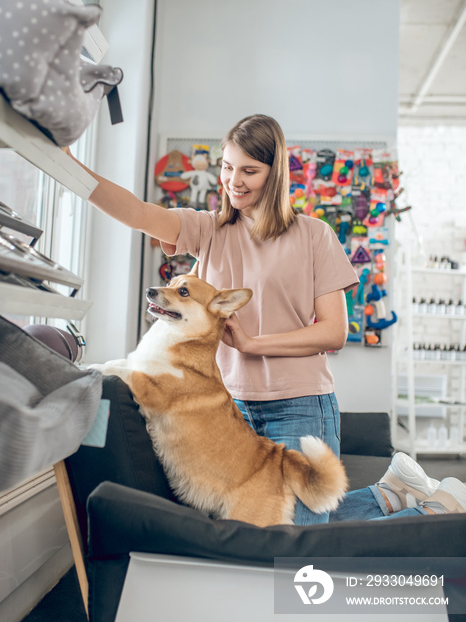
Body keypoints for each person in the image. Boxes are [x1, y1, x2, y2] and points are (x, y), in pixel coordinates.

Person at [66, 113, 466, 524]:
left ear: (275, 174)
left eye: (249, 171)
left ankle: (440, 514)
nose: (233, 180)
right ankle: (389, 494)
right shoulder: (209, 231)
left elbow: (334, 331)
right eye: (227, 167)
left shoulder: (315, 235)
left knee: (301, 540)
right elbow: (135, 211)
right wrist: (66, 163)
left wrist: (253, 344)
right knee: (274, 524)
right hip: (232, 408)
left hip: (300, 404)